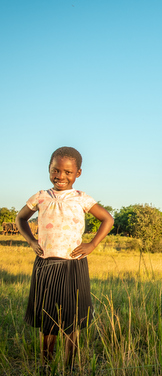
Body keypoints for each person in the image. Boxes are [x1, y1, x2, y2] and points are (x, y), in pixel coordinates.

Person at [16, 147, 114, 365]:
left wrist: (92, 244)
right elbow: (20, 218)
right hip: (45, 265)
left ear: (78, 173)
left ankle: (70, 365)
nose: (61, 176)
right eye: (56, 170)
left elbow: (107, 219)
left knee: (73, 319)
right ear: (49, 170)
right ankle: (46, 363)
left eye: (68, 172)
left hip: (74, 265)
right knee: (47, 318)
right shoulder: (40, 197)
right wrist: (32, 241)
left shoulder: (81, 198)